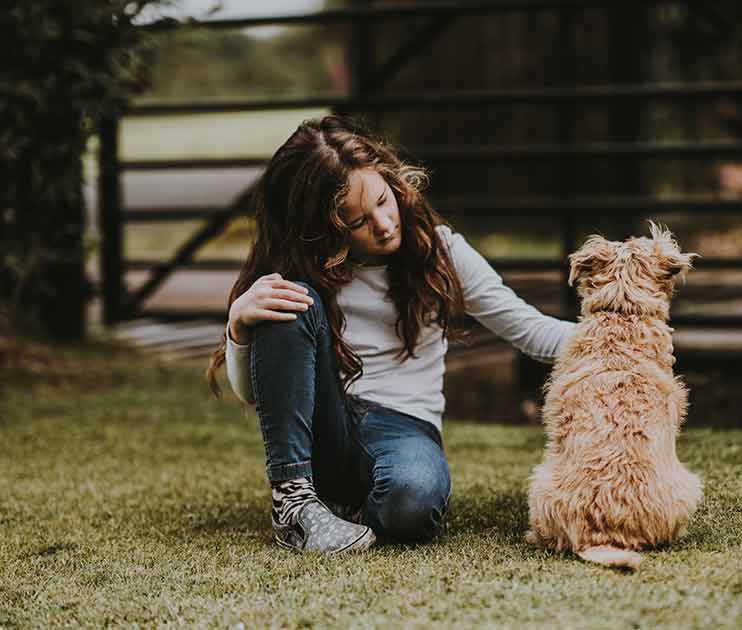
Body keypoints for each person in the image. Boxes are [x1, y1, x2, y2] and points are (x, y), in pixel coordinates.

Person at [205, 114, 576, 554]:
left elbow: (529, 329)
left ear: (393, 181)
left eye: (383, 200)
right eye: (357, 221)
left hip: (405, 426)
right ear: (322, 228)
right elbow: (254, 397)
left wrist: (622, 337)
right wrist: (239, 326)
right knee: (287, 296)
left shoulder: (442, 253)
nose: (383, 224)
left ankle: (342, 510)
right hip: (328, 423)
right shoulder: (298, 273)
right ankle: (295, 505)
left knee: (413, 503)